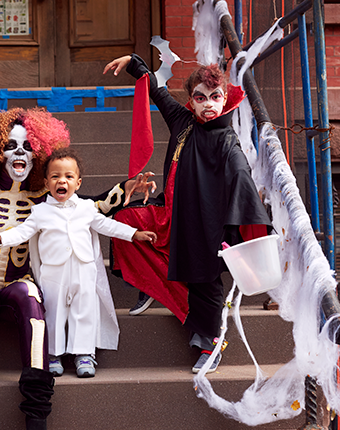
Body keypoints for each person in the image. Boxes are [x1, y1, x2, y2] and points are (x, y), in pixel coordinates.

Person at [0, 108, 154, 430]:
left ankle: (37, 415)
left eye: (27, 147)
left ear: (39, 156)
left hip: (16, 283)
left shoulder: (43, 197)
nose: (19, 152)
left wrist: (124, 191)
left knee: (32, 300)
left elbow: (89, 206)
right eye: (10, 145)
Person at [103, 54, 272, 374]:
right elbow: (158, 92)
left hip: (205, 226)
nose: (208, 104)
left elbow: (240, 177)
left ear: (224, 100)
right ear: (192, 102)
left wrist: (238, 230)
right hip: (171, 215)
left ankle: (212, 342)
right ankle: (150, 286)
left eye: (215, 97)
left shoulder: (227, 140)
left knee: (205, 282)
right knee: (125, 222)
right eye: (200, 98)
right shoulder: (182, 122)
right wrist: (134, 64)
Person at [0, 148, 157, 378]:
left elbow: (107, 225)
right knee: (53, 311)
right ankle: (53, 354)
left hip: (83, 268)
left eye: (68, 177)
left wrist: (134, 233)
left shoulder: (86, 209)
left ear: (78, 183)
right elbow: (23, 232)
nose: (61, 181)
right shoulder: (40, 211)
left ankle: (84, 353)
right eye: (55, 177)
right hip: (54, 272)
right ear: (46, 182)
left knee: (83, 311)